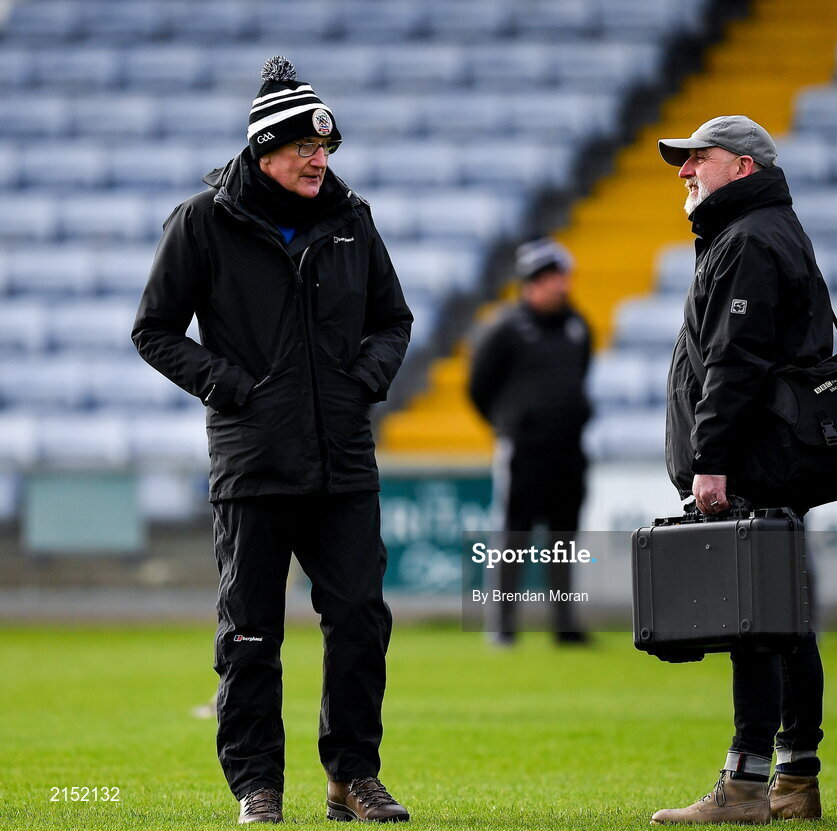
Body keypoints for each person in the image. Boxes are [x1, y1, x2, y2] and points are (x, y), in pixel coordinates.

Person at [132, 56, 412, 825]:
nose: (321, 160)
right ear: (266, 152)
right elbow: (153, 331)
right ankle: (258, 785)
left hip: (344, 462)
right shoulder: (201, 223)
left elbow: (395, 320)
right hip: (253, 464)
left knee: (359, 620)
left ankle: (353, 774)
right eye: (305, 150)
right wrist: (232, 387)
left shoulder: (353, 219)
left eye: (326, 150)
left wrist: (361, 384)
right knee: (250, 633)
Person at [651, 116, 832, 825]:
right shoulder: (761, 231)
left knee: (755, 618)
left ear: (744, 168)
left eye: (700, 158)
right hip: (774, 453)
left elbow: (735, 361)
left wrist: (712, 460)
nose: (685, 171)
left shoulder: (750, 239)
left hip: (754, 457)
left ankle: (749, 785)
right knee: (783, 618)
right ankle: (794, 780)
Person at [468, 239, 592, 646]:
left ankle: (564, 623)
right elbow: (477, 387)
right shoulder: (504, 328)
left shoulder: (578, 326)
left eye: (563, 277)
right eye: (553, 277)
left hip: (568, 450)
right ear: (532, 282)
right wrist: (509, 425)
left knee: (564, 537)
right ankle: (502, 624)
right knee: (513, 536)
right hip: (523, 450)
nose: (561, 285)